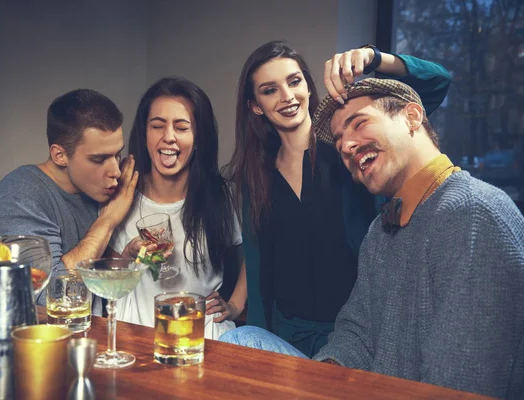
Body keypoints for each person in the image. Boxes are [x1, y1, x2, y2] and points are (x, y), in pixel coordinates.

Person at [221, 78, 524, 399]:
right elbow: (357, 332)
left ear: (412, 117)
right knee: (243, 341)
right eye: (339, 141)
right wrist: (325, 378)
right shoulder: (382, 230)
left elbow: (458, 383)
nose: (347, 146)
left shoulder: (472, 212)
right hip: (368, 386)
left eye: (359, 123)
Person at [223, 41, 451, 357]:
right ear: (255, 105)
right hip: (286, 335)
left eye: (294, 81)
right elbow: (258, 258)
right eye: (270, 90)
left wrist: (374, 58)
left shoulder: (350, 152)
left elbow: (438, 82)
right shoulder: (256, 176)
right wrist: (237, 308)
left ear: (307, 84)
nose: (287, 96)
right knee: (235, 344)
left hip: (353, 339)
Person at [106, 77, 246, 339]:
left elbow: (253, 253)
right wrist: (128, 254)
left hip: (202, 337)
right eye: (157, 126)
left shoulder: (220, 194)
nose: (168, 137)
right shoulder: (124, 191)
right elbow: (108, 282)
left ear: (198, 138)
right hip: (135, 337)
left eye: (182, 128)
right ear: (144, 133)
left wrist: (235, 305)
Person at [0, 89, 138, 313]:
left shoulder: (95, 191)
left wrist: (125, 259)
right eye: (99, 159)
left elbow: (99, 293)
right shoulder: (19, 194)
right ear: (60, 155)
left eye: (117, 154)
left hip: (91, 343)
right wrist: (108, 221)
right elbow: (51, 297)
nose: (115, 171)